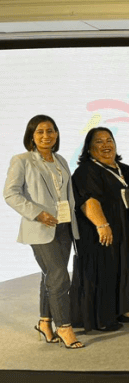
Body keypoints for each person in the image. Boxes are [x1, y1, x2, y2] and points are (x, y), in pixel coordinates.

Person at [4, 115, 83, 348]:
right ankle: (64, 327)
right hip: (40, 226)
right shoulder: (22, 160)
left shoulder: (61, 160)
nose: (46, 136)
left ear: (56, 134)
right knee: (59, 276)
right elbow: (11, 194)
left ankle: (45, 322)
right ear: (31, 136)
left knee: (51, 275)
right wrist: (37, 213)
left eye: (50, 131)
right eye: (40, 132)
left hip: (64, 226)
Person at [70, 127, 129, 333]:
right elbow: (87, 200)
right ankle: (102, 317)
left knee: (125, 266)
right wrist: (102, 225)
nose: (106, 145)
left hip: (126, 229)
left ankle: (126, 309)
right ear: (89, 148)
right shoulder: (86, 171)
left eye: (109, 140)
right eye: (99, 142)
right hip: (99, 231)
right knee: (104, 270)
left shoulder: (125, 169)